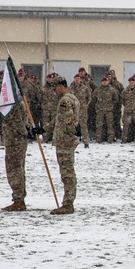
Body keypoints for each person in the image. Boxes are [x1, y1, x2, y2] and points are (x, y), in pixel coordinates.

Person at [49, 74, 80, 215]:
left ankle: (68, 203)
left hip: (65, 141)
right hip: (67, 140)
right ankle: (68, 201)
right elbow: (59, 121)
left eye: (55, 88)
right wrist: (44, 128)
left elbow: (65, 121)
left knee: (67, 173)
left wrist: (67, 134)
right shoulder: (72, 98)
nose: (54, 91)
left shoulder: (65, 101)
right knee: (67, 172)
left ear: (61, 86)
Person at [0, 99, 32, 211]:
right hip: (14, 142)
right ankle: (19, 198)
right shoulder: (15, 103)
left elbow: (18, 123)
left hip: (15, 142)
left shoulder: (12, 105)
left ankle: (19, 200)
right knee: (17, 170)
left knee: (14, 170)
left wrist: (25, 133)